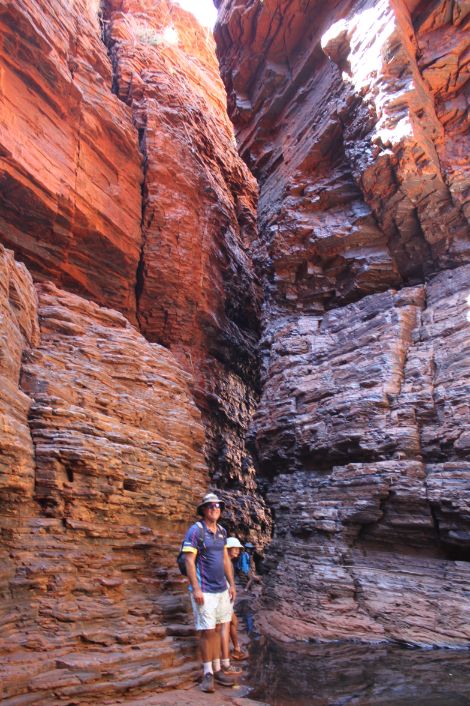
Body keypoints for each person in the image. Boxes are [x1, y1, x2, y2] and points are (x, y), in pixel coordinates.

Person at [182, 492, 237, 693]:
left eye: (218, 506)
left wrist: (232, 584)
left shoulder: (222, 531)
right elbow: (188, 560)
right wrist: (195, 588)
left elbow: (225, 559)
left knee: (216, 630)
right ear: (204, 510)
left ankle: (217, 669)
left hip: (221, 590)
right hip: (204, 590)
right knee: (207, 632)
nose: (215, 509)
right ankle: (207, 674)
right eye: (211, 506)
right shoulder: (196, 531)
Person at [224, 537, 249, 663]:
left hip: (226, 599)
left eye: (238, 549)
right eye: (235, 548)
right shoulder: (224, 562)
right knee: (230, 623)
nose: (238, 551)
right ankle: (231, 652)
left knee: (232, 622)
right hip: (222, 598)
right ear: (227, 549)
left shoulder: (229, 562)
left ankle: (235, 649)